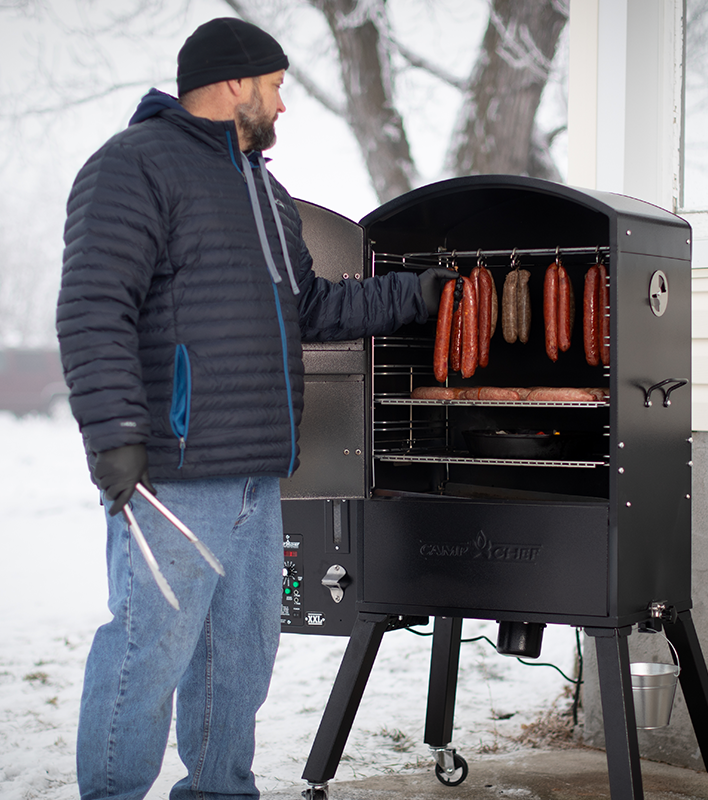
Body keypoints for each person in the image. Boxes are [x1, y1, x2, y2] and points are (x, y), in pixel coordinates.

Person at [57, 17, 450, 800]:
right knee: (148, 650)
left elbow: (307, 308)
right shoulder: (132, 167)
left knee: (238, 657)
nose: (282, 104)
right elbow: (94, 307)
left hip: (258, 474)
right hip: (173, 469)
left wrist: (416, 295)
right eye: (275, 86)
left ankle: (219, 791)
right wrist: (114, 439)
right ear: (234, 82)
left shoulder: (262, 187)